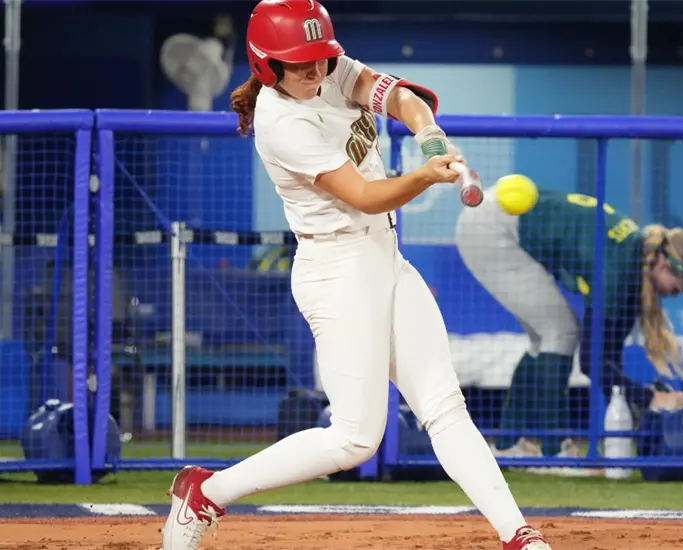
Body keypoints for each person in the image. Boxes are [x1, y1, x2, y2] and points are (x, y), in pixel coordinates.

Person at [159, 2, 552, 550]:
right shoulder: (282, 120)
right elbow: (365, 197)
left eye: (320, 57)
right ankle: (206, 493)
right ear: (266, 65)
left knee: (443, 405)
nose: (315, 70)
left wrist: (431, 138)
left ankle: (519, 535)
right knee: (354, 439)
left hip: (383, 256)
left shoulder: (327, 67)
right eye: (299, 63)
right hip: (336, 270)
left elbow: (397, 97)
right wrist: (424, 176)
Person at [454, 179, 683, 473]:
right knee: (559, 332)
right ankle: (555, 455)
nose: (670, 297)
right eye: (674, 290)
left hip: (494, 215)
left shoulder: (633, 261)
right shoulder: (621, 271)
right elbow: (593, 361)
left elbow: (606, 356)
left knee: (547, 336)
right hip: (493, 228)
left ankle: (510, 444)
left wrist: (645, 395)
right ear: (664, 265)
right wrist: (652, 399)